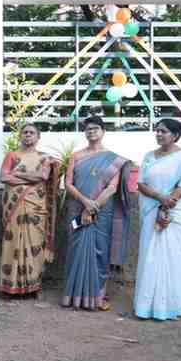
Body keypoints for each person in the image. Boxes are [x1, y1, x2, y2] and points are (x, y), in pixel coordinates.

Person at [134, 118, 181, 320]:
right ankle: (146, 306)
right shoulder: (149, 156)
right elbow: (141, 184)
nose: (158, 134)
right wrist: (159, 200)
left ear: (175, 135)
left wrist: (166, 207)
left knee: (174, 257)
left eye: (163, 131)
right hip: (152, 208)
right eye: (157, 131)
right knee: (150, 256)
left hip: (176, 213)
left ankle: (172, 306)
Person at [61, 116, 131, 311]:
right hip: (77, 207)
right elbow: (68, 183)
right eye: (88, 129)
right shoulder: (76, 156)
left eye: (95, 128)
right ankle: (74, 296)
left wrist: (93, 207)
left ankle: (98, 296)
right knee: (76, 250)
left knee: (100, 251)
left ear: (103, 131)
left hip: (102, 211)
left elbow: (112, 188)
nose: (91, 132)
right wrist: (85, 203)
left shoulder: (114, 159)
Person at [0, 123, 60, 297]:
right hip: (14, 206)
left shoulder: (45, 158)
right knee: (12, 242)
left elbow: (42, 176)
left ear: (38, 137)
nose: (28, 135)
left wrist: (17, 174)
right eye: (24, 132)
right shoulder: (12, 155)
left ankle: (34, 286)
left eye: (32, 132)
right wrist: (30, 180)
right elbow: (4, 177)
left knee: (35, 243)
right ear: (20, 136)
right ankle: (11, 286)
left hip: (35, 208)